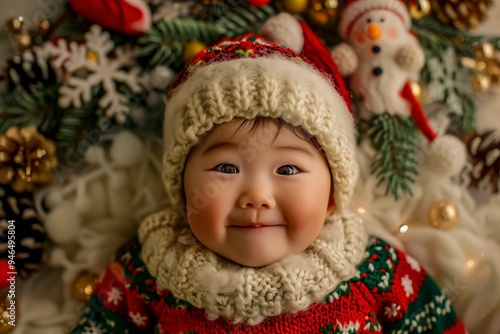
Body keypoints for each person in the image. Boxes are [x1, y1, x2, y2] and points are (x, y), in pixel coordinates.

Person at [70, 17, 466, 333]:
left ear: (332, 193)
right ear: (182, 189)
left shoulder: (378, 273)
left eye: (289, 169)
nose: (257, 196)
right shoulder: (144, 275)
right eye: (226, 168)